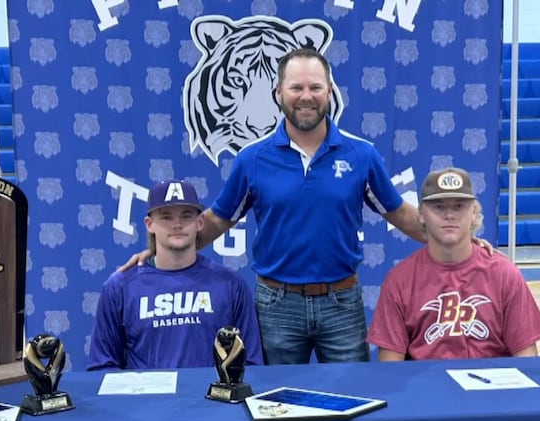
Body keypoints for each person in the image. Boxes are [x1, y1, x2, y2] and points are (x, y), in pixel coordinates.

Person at [124, 47, 489, 364]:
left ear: (329, 92)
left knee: (354, 404)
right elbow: (216, 220)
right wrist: (156, 253)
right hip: (276, 307)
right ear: (279, 92)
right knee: (276, 410)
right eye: (296, 87)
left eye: (315, 87)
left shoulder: (361, 155)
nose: (306, 96)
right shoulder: (252, 159)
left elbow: (401, 214)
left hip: (342, 302)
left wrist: (460, 243)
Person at [367, 167, 540, 361]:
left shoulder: (504, 274)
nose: (449, 215)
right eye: (438, 206)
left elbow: (527, 359)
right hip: (426, 387)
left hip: (491, 388)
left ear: (474, 212)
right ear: (421, 213)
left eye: (459, 206)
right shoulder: (399, 281)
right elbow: (389, 368)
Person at [87, 179, 262, 370]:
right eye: (166, 217)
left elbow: (251, 363)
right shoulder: (119, 287)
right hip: (147, 399)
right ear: (149, 224)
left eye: (186, 216)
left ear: (200, 222)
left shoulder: (231, 284)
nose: (177, 224)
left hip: (211, 398)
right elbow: (102, 367)